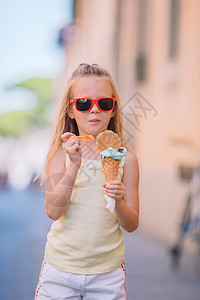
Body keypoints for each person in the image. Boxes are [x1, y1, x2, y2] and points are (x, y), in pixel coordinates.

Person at [34, 63, 140, 300]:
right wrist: (74, 165)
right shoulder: (61, 154)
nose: (94, 111)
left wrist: (119, 201)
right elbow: (53, 210)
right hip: (59, 271)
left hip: (107, 274)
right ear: (71, 110)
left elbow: (132, 223)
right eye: (84, 103)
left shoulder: (127, 159)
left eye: (104, 103)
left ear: (113, 109)